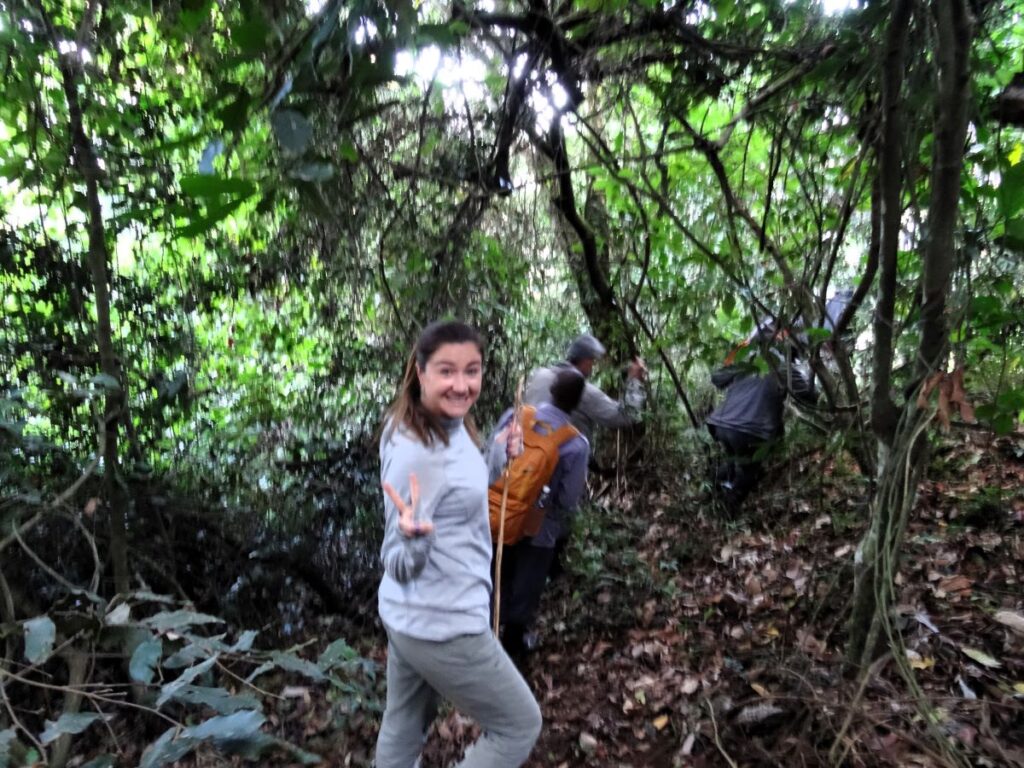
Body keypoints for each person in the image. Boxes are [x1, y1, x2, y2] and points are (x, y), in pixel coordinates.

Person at [374, 321, 541, 768]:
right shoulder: (417, 452)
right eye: (447, 371)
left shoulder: (444, 426)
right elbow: (396, 559)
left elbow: (457, 492)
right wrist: (411, 538)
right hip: (443, 624)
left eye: (473, 370)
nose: (462, 385)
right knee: (519, 725)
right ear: (420, 372)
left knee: (404, 722)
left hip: (409, 616)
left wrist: (495, 456)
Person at [491, 368, 589, 662]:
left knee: (498, 576)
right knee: (527, 581)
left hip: (500, 515)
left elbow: (491, 459)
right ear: (577, 403)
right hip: (540, 528)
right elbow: (568, 499)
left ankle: (488, 637)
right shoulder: (575, 443)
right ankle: (514, 643)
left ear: (551, 391)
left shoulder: (516, 414)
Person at [706, 335, 816, 513]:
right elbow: (811, 397)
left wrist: (737, 354)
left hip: (720, 424)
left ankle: (711, 492)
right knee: (749, 470)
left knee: (736, 461)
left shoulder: (749, 362)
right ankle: (728, 511)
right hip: (748, 431)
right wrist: (811, 371)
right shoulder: (785, 368)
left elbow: (717, 378)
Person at [523, 333, 646, 445]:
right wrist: (635, 380)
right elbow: (626, 416)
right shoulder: (581, 389)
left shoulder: (538, 375)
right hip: (561, 462)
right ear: (586, 361)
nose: (593, 366)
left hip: (525, 457)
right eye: (593, 361)